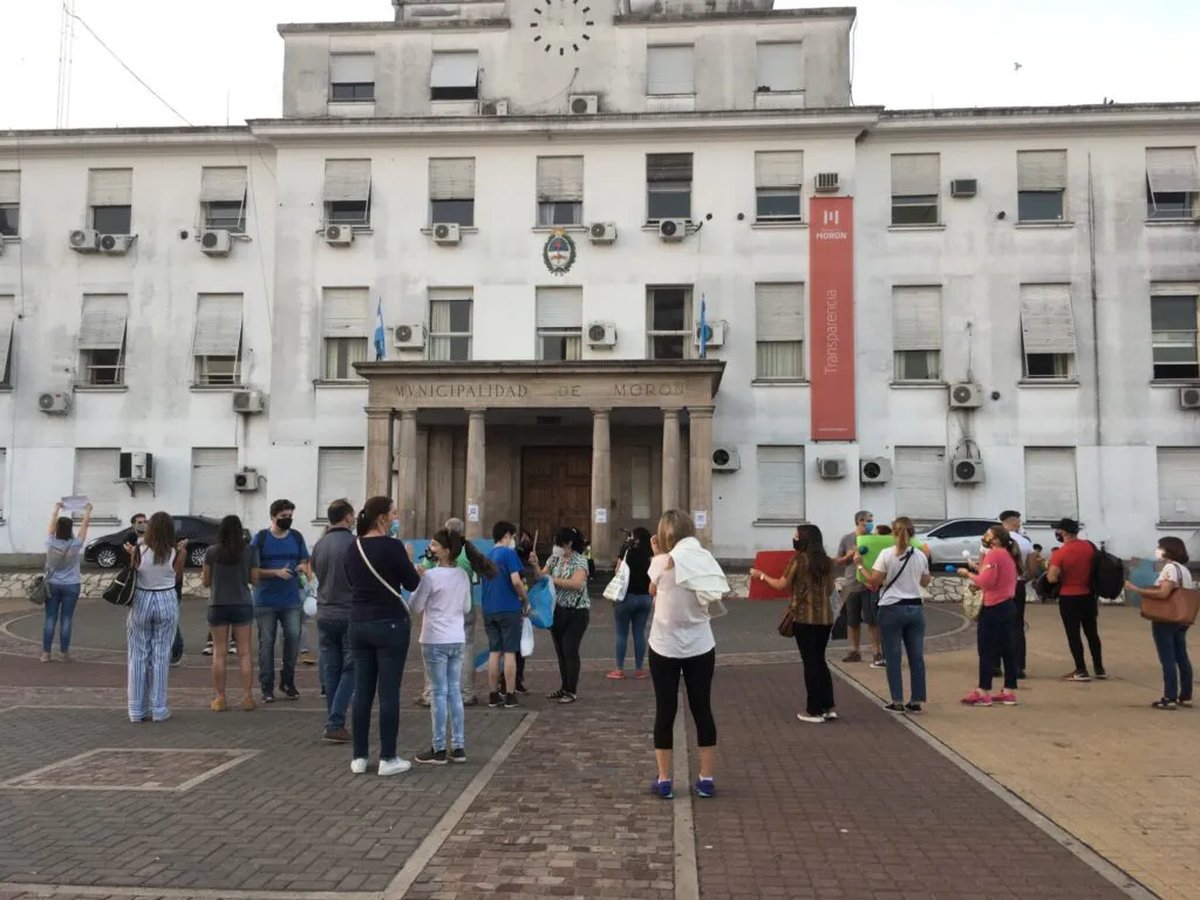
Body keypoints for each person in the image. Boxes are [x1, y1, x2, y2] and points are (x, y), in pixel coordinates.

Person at [344, 496, 422, 775]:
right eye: (393, 513)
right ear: (382, 517)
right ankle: (388, 757)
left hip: (358, 622)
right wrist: (410, 561)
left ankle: (359, 757)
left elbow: (351, 581)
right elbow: (411, 582)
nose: (395, 518)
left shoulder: (353, 547)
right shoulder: (393, 546)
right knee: (388, 692)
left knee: (362, 691)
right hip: (389, 622)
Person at [647, 510, 721, 800]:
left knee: (665, 710)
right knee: (702, 709)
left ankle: (665, 779)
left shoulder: (660, 563)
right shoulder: (705, 559)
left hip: (664, 645)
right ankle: (706, 777)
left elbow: (652, 588)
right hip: (700, 644)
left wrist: (657, 554)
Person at [411, 529, 497, 765]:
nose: (431, 549)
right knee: (454, 691)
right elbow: (467, 607)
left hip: (435, 639)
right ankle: (458, 746)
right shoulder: (462, 575)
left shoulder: (431, 576)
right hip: (456, 637)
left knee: (439, 693)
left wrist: (419, 581)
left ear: (446, 551)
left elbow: (416, 606)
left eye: (435, 545)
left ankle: (439, 747)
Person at [751, 524, 837, 723]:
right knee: (820, 661)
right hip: (825, 618)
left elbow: (781, 584)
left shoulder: (798, 560)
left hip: (804, 618)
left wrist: (761, 576)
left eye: (796, 536)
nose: (794, 538)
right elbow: (831, 589)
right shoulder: (827, 562)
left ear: (804, 539)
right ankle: (828, 706)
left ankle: (813, 710)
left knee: (810, 663)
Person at [859, 516, 932, 713]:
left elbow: (875, 581)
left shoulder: (886, 554)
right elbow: (925, 581)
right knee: (916, 657)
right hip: (915, 608)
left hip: (891, 607)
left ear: (893, 532)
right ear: (912, 533)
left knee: (893, 656)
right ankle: (916, 700)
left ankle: (897, 700)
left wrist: (860, 566)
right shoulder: (920, 555)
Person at [125, 512, 185, 723]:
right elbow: (177, 577)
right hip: (166, 598)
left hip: (142, 598)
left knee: (138, 655)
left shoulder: (139, 550)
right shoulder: (177, 552)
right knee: (161, 655)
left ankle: (136, 709)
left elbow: (134, 572)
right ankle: (159, 708)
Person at [418, 516, 482, 708]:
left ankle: (430, 693)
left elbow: (424, 573)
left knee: (432, 651)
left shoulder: (435, 553)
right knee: (466, 649)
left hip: (438, 609)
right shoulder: (467, 552)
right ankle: (466, 692)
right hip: (463, 605)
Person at [251, 499, 310, 703]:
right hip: (265, 600)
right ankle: (267, 686)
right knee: (267, 643)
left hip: (291, 599)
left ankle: (288, 681)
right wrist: (275, 572)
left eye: (290, 516)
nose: (288, 519)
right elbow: (253, 571)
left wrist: (302, 567)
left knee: (293, 638)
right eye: (283, 516)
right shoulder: (260, 538)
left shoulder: (296, 537)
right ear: (273, 517)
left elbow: (304, 560)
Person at [1125, 536, 1193, 710]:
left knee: (1167, 657)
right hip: (1182, 617)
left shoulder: (1170, 568)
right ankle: (1185, 695)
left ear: (1167, 550)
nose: (1157, 551)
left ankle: (1169, 697)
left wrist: (1137, 590)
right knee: (1181, 656)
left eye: (1159, 547)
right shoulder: (1184, 569)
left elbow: (1163, 593)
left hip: (1165, 618)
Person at [956, 525, 1021, 707]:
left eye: (987, 535)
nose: (984, 537)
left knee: (986, 649)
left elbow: (986, 581)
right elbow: (995, 576)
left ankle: (983, 691)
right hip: (1008, 605)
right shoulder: (1007, 555)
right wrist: (977, 568)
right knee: (1007, 649)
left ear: (996, 539)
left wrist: (968, 574)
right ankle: (1009, 690)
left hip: (994, 606)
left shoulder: (994, 554)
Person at [202, 515, 259, 712]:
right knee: (244, 652)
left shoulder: (211, 552)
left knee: (219, 652)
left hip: (217, 604)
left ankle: (220, 698)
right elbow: (255, 580)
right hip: (242, 603)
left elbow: (206, 582)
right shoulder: (249, 551)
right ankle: (247, 697)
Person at [312, 499, 357, 742]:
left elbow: (317, 573)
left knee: (331, 670)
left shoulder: (320, 545)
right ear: (347, 517)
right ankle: (335, 721)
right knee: (351, 667)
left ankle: (333, 719)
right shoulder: (354, 544)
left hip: (324, 611)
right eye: (352, 515)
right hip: (348, 611)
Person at [1046, 517, 1104, 682]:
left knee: (1073, 634)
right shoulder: (1089, 547)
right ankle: (1099, 668)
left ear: (1063, 532)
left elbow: (1051, 578)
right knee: (1092, 632)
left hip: (1069, 596)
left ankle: (1081, 669)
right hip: (1088, 594)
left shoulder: (1060, 553)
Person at [537, 527, 591, 703]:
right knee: (560, 652)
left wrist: (553, 580)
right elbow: (541, 577)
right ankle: (564, 686)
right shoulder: (554, 559)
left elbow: (576, 583)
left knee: (570, 650)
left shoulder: (580, 560)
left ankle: (571, 690)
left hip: (576, 612)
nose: (557, 548)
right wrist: (535, 565)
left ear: (569, 544)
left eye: (560, 544)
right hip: (557, 611)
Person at [480, 521, 531, 709]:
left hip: (489, 608)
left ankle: (493, 694)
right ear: (507, 535)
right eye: (513, 537)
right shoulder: (508, 554)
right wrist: (525, 599)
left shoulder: (487, 556)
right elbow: (516, 581)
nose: (513, 540)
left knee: (494, 652)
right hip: (508, 608)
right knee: (510, 652)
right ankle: (510, 694)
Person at [41, 501, 92, 662]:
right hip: (71, 585)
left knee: (50, 618)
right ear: (70, 529)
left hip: (52, 584)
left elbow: (51, 524)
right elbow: (84, 526)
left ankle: (46, 653)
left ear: (57, 529)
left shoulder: (50, 542)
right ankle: (64, 653)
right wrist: (87, 511)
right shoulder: (75, 544)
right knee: (66, 619)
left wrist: (56, 509)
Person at [833, 510, 881, 666]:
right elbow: (837, 561)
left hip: (869, 585)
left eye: (871, 520)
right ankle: (855, 651)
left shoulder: (874, 539)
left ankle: (877, 652)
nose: (871, 524)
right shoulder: (847, 539)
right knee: (852, 621)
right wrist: (848, 556)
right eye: (868, 520)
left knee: (873, 621)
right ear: (860, 521)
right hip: (851, 585)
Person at [608, 527, 653, 680]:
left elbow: (617, 571)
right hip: (645, 598)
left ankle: (619, 669)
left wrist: (623, 551)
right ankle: (639, 669)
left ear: (636, 539)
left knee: (621, 633)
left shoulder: (628, 552)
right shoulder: (651, 555)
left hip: (626, 597)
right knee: (639, 633)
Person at [998, 511, 1034, 679]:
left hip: (997, 586)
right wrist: (1024, 579)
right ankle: (1018, 666)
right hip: (1017, 585)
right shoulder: (1025, 542)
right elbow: (1032, 569)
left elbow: (984, 564)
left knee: (995, 623)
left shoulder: (992, 540)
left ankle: (995, 665)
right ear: (1015, 522)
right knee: (1017, 625)